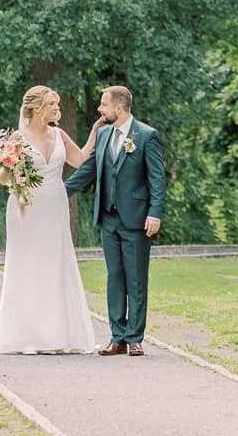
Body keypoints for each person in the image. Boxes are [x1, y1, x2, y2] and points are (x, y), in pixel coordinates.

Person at [0, 84, 104, 355]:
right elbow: (2, 178)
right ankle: (27, 336)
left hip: (55, 206)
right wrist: (14, 171)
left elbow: (79, 160)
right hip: (26, 209)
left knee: (55, 265)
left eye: (57, 104)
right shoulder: (17, 139)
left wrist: (94, 133)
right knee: (28, 265)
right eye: (53, 104)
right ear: (37, 109)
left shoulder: (59, 134)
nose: (58, 108)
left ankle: (56, 335)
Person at [64, 84, 165, 357]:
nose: (100, 109)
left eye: (104, 105)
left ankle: (134, 338)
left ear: (119, 107)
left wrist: (154, 212)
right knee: (114, 278)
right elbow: (88, 170)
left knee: (136, 280)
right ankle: (117, 337)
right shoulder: (104, 133)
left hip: (136, 220)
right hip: (108, 219)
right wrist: (59, 193)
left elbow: (157, 179)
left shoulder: (146, 136)